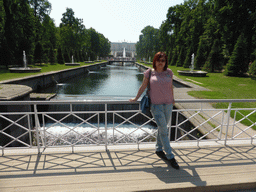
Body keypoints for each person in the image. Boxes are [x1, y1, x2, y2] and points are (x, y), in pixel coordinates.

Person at [129, 52, 179, 170]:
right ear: (155, 61)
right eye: (158, 60)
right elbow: (142, 86)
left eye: (163, 60)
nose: (161, 62)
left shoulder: (169, 72)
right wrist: (136, 98)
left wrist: (173, 99)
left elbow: (170, 86)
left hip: (168, 105)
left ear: (165, 62)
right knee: (164, 130)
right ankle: (170, 156)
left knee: (162, 129)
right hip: (156, 106)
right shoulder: (149, 72)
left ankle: (158, 148)